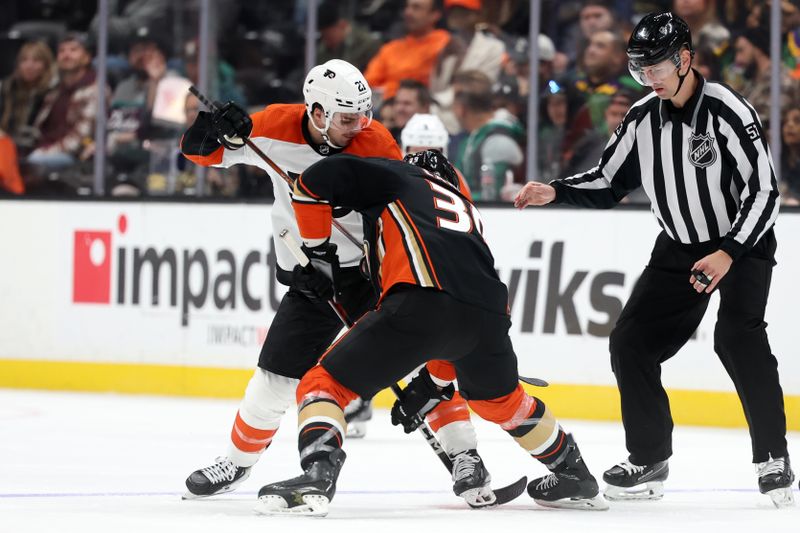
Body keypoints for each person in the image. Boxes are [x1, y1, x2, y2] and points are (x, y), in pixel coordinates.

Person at [180, 59, 491, 506]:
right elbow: (197, 152)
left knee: (423, 367)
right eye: (347, 118)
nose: (358, 126)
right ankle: (237, 460)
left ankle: (466, 457)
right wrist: (214, 125)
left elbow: (402, 207)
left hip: (371, 276)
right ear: (318, 112)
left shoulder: (374, 141)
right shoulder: (272, 127)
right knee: (274, 379)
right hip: (311, 279)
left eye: (363, 115)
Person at [514, 12, 795, 508]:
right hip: (680, 247)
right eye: (641, 70)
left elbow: (764, 193)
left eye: (658, 67)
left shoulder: (728, 110)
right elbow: (607, 182)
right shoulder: (643, 117)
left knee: (737, 337)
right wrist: (552, 191)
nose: (650, 79)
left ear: (685, 58)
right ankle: (649, 458)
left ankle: (772, 457)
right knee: (631, 343)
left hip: (742, 242)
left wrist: (729, 251)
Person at [254, 151, 608, 516]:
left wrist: (317, 252)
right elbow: (454, 316)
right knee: (501, 402)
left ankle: (317, 474)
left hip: (421, 301)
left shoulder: (399, 176)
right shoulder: (469, 213)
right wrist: (432, 385)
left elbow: (315, 179)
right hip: (488, 316)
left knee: (324, 383)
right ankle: (574, 473)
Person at [364, 0, 450, 102]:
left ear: (435, 15)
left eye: (416, 8)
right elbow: (367, 83)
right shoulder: (390, 48)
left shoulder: (444, 44)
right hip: (380, 106)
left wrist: (388, 89)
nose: (408, 12)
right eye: (407, 7)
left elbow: (417, 80)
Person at [0, 40, 56, 154]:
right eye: (24, 60)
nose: (29, 66)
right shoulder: (7, 87)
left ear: (46, 64)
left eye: (36, 61)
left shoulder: (54, 91)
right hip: (6, 143)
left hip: (38, 146)